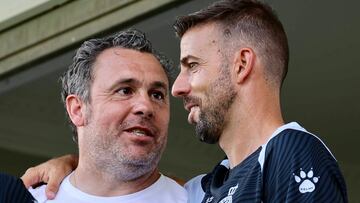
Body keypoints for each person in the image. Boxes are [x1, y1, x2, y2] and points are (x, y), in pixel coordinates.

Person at [22, 0, 348, 202]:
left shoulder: (289, 151)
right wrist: (74, 164)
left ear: (241, 64)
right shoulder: (209, 188)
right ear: (77, 109)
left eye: (192, 65)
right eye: (124, 90)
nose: (178, 88)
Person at [26, 29, 187, 203]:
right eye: (125, 90)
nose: (146, 107)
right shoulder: (27, 199)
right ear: (78, 110)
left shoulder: (198, 198)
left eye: (157, 95)